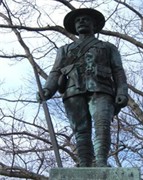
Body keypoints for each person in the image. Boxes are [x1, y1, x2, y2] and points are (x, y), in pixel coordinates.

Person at [37, 8, 128, 167]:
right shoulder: (64, 50)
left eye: (85, 19)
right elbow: (55, 71)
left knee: (102, 125)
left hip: (102, 89)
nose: (81, 22)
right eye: (78, 20)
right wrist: (47, 89)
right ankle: (84, 163)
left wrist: (122, 91)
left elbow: (118, 71)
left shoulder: (108, 47)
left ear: (93, 24)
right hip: (73, 90)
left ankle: (101, 162)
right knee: (81, 130)